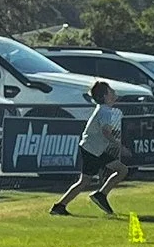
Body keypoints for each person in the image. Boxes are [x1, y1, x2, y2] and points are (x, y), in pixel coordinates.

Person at [50, 81, 123, 213]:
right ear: (105, 97)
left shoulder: (105, 109)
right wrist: (119, 146)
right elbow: (106, 132)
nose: (114, 93)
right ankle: (59, 206)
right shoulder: (105, 111)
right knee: (84, 182)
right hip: (91, 151)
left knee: (122, 170)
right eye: (111, 91)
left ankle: (101, 195)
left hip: (97, 150)